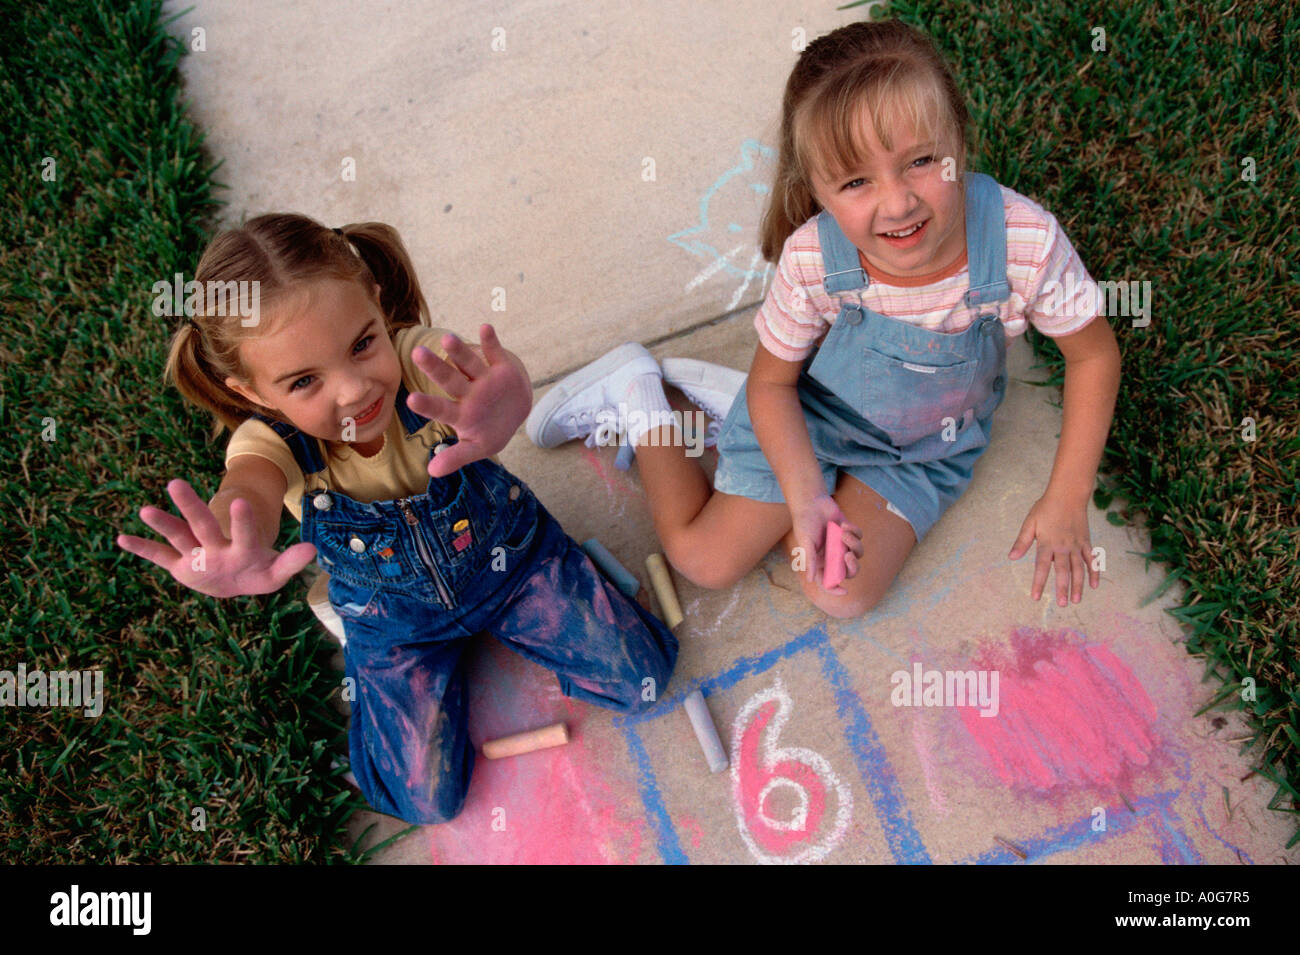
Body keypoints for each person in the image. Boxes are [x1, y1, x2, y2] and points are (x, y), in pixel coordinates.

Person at [527, 19, 1121, 618]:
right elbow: (774, 384)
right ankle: (642, 399)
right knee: (705, 561)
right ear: (813, 187)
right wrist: (805, 495)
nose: (898, 202)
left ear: (958, 143)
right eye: (856, 181)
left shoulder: (1021, 239)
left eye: (920, 161)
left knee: (841, 593)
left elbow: (1093, 355)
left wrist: (1067, 497)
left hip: (925, 445)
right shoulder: (815, 258)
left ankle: (737, 421)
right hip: (810, 416)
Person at [116, 215, 678, 825]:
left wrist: (505, 395)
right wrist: (230, 536)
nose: (354, 390)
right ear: (251, 392)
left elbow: (473, 369)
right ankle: (406, 661)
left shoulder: (417, 360)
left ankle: (556, 587)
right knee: (422, 799)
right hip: (395, 619)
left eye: (362, 344)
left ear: (379, 306)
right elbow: (245, 490)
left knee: (642, 678)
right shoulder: (266, 443)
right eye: (304, 381)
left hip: (511, 565)